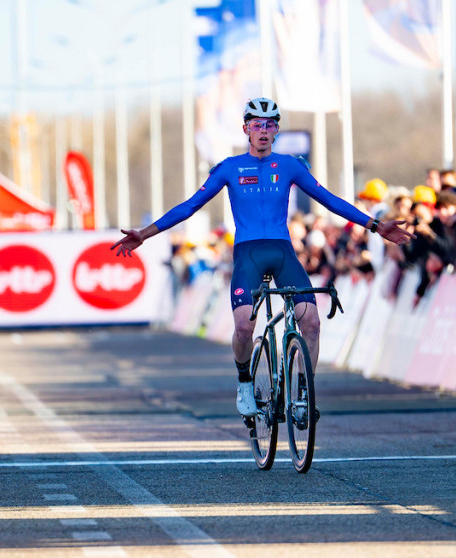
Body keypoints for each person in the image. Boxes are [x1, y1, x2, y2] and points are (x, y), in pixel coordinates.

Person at [113, 97, 412, 418]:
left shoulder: (289, 166)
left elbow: (329, 200)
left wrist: (376, 225)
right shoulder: (229, 168)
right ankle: (244, 382)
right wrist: (145, 233)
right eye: (257, 124)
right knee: (244, 327)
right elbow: (189, 207)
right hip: (247, 255)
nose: (264, 131)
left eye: (270, 125)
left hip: (283, 252)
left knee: (310, 322)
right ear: (246, 129)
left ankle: (302, 392)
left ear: (277, 130)